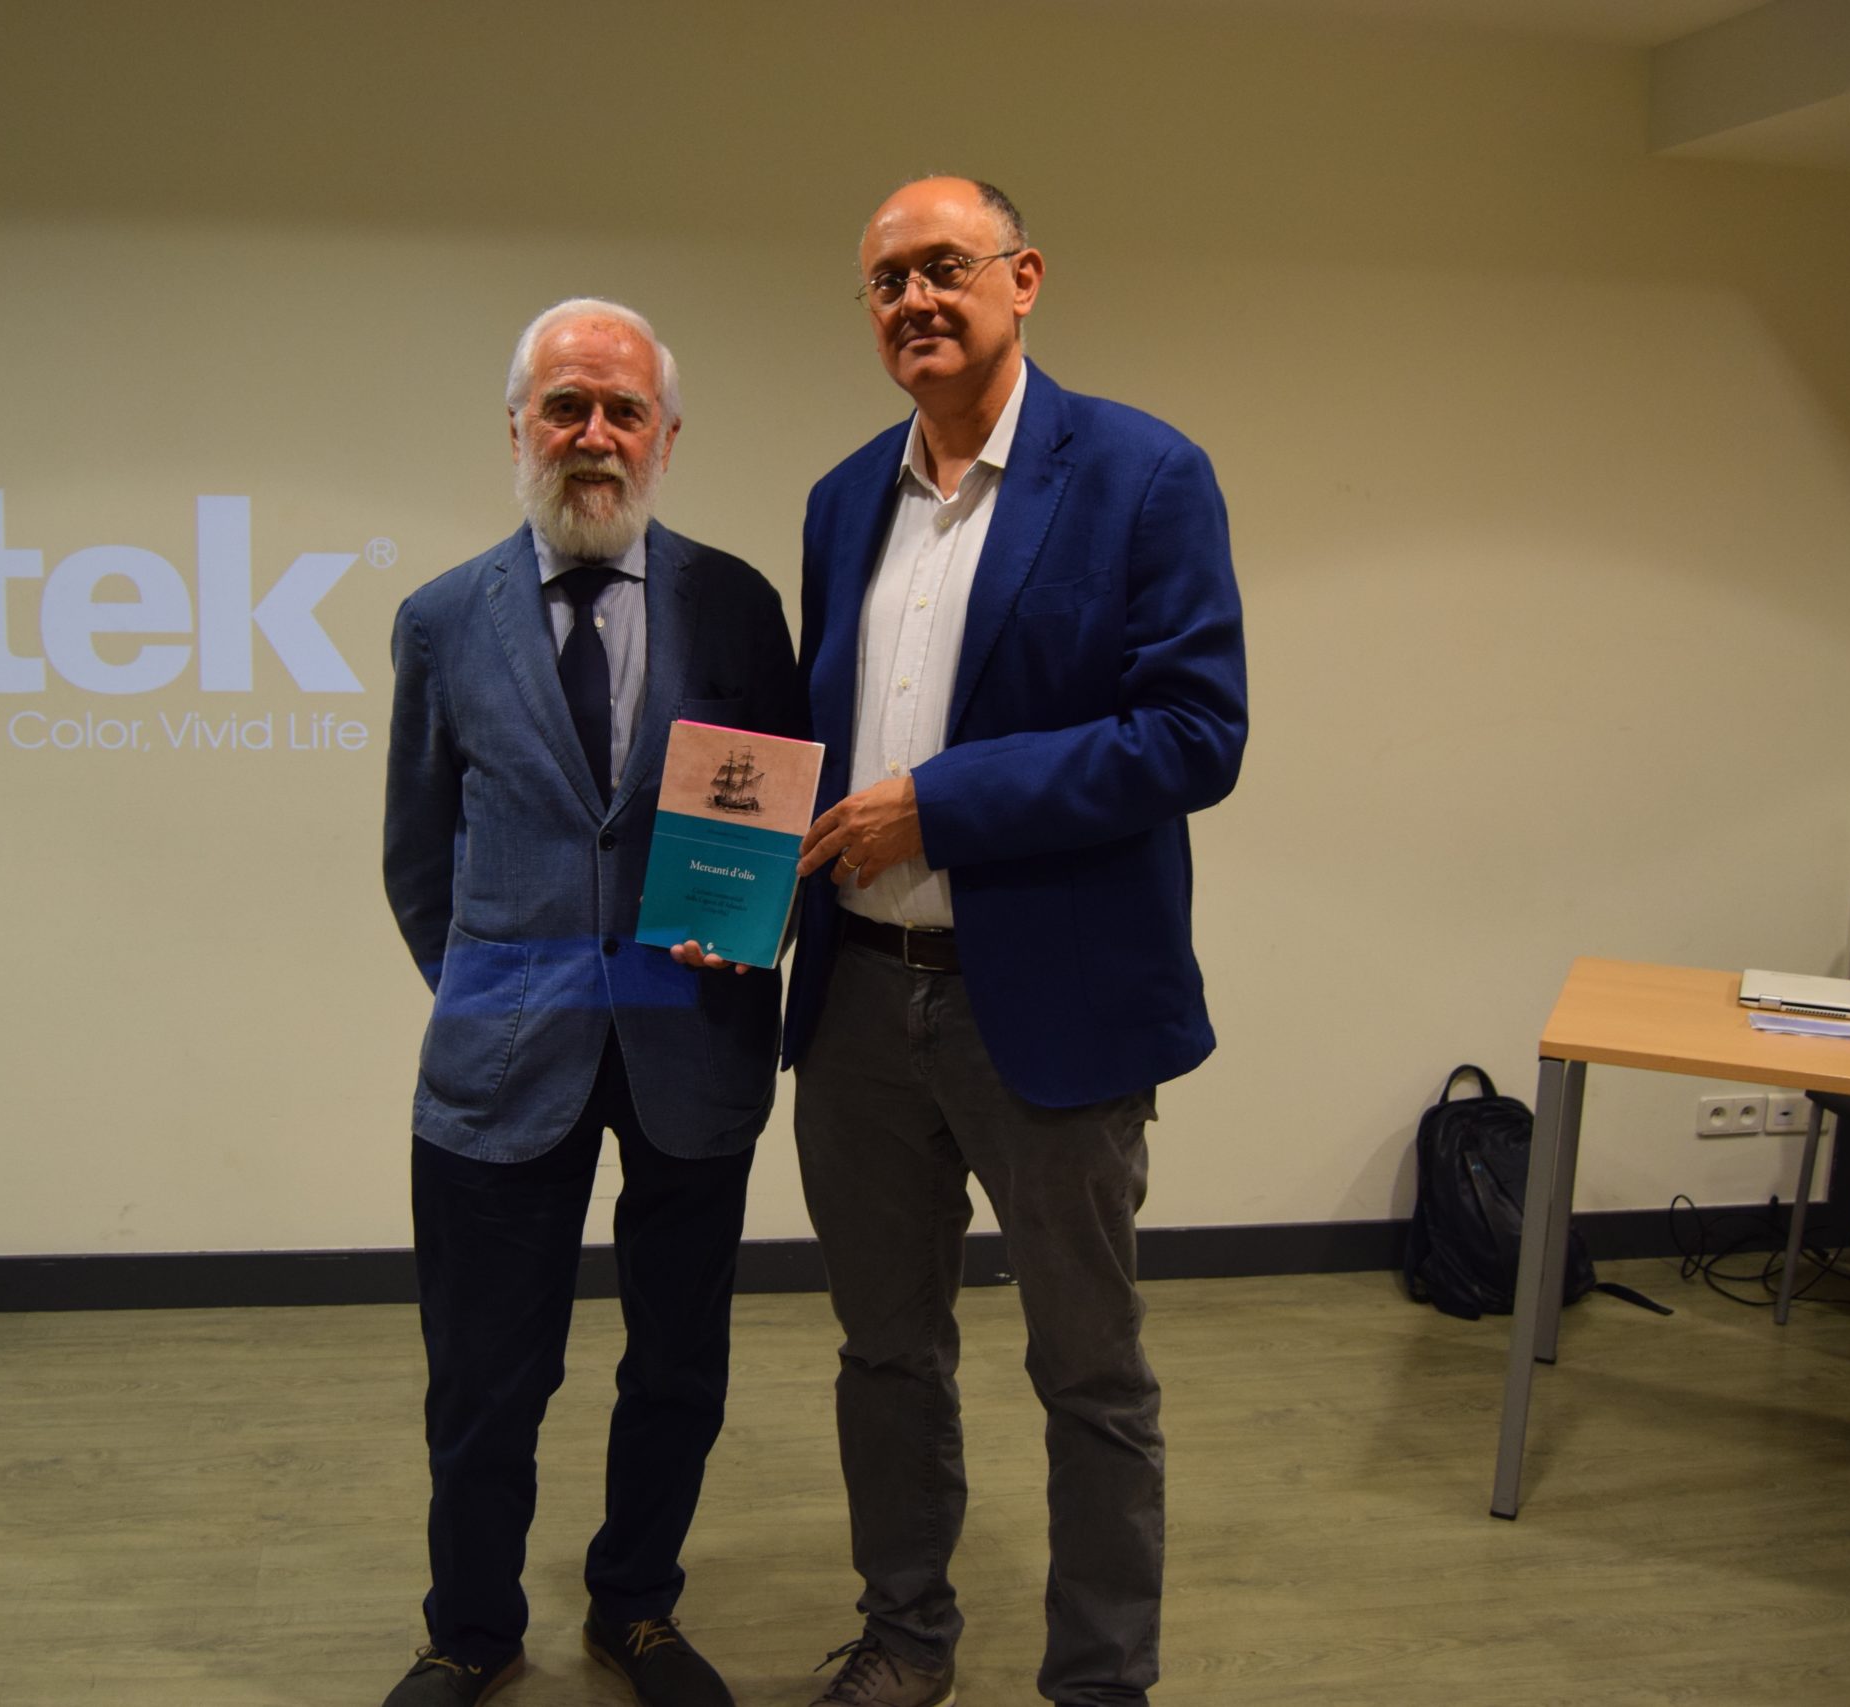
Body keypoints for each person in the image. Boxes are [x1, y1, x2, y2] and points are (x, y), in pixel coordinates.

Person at [784, 177, 1249, 1707]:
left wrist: (942, 806)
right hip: (859, 1006)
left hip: (1047, 1009)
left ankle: (1100, 1681)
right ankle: (906, 1639)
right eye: (886, 280)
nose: (915, 299)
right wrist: (736, 886)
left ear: (1023, 276)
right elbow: (815, 744)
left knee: (1090, 1373)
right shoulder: (842, 500)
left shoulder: (1142, 474)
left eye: (944, 266)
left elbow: (1193, 735)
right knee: (885, 1355)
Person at [379, 298, 800, 1707]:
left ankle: (636, 1607)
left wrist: (749, 931)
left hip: (696, 1049)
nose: (595, 435)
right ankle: (470, 1629)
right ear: (518, 429)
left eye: (625, 410)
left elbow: (778, 814)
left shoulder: (737, 605)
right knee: (485, 1376)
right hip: (503, 1058)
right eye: (567, 406)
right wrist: (496, 991)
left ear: (667, 437)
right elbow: (417, 859)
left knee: (678, 1365)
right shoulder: (443, 620)